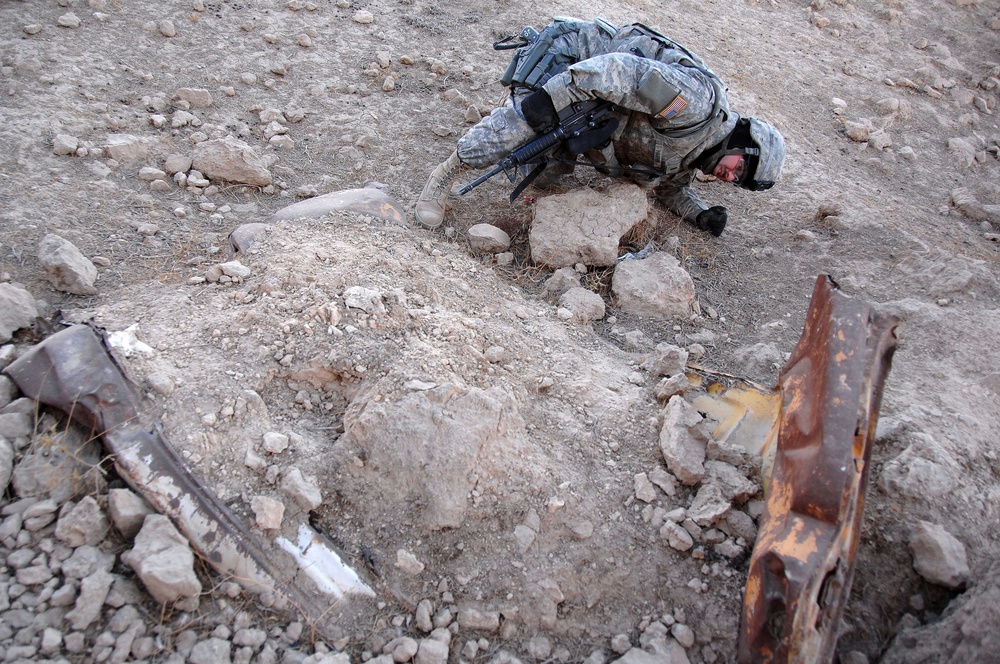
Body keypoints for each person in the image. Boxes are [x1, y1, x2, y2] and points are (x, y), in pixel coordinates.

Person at [414, 17, 786, 237]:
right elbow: (618, 71)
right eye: (739, 168)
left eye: (737, 181)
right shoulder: (697, 105)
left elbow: (671, 188)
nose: (729, 176)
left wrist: (700, 214)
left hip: (594, 102)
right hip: (574, 59)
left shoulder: (699, 149)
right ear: (742, 142)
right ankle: (446, 172)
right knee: (526, 124)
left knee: (548, 174)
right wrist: (548, 101)